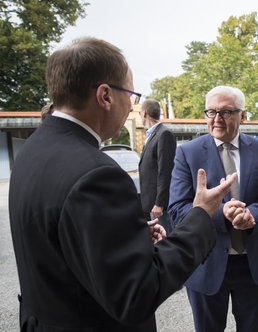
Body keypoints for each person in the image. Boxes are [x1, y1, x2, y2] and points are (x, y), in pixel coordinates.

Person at [9, 38, 236, 332]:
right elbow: (136, 293)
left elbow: (61, 234)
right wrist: (202, 213)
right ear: (105, 95)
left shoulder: (33, 148)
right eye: (130, 94)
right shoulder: (96, 175)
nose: (131, 105)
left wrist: (125, 234)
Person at [168, 85, 258, 332]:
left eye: (226, 112)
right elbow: (177, 210)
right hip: (205, 263)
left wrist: (252, 215)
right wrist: (222, 214)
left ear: (243, 116)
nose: (216, 119)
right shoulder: (187, 153)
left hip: (253, 264)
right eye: (211, 112)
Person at [139, 99, 177, 233]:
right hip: (151, 204)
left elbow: (165, 171)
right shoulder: (151, 135)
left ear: (144, 114)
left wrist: (159, 203)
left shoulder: (164, 134)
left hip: (160, 207)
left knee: (167, 242)